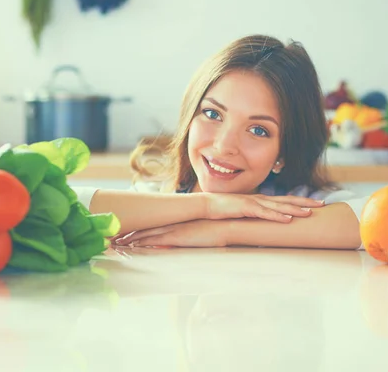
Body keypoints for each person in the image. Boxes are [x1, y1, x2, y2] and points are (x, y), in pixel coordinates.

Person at [72, 34, 368, 250]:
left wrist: (224, 229)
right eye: (212, 113)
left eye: (258, 130)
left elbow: (369, 219)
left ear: (284, 154)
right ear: (189, 117)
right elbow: (73, 205)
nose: (225, 145)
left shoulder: (300, 201)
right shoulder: (156, 195)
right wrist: (208, 206)